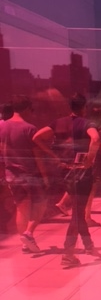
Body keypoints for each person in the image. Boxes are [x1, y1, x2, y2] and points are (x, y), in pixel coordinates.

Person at [34, 93, 100, 267]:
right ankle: (68, 253)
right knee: (78, 214)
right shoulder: (86, 123)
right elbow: (95, 138)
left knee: (78, 209)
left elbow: (37, 137)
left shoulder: (58, 122)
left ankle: (88, 244)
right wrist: (90, 159)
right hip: (81, 173)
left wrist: (52, 155)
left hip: (65, 171)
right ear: (84, 108)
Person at [1, 95, 47, 253]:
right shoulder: (29, 128)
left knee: (21, 208)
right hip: (29, 173)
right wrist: (45, 175)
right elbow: (37, 155)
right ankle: (28, 234)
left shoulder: (2, 127)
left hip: (11, 174)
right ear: (27, 108)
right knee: (41, 204)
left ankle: (24, 241)